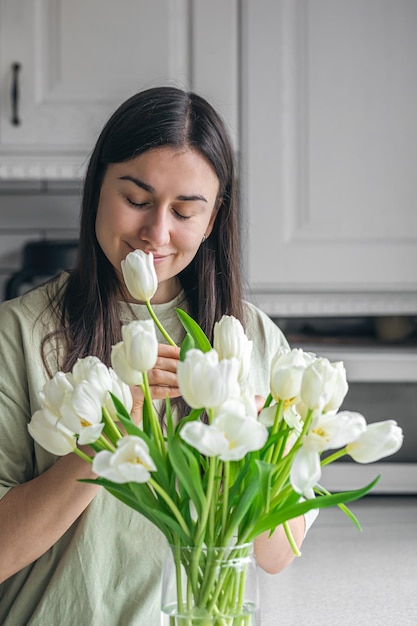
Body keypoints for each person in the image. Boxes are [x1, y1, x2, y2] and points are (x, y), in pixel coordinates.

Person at [0, 86, 310, 625]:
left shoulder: (250, 340)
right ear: (98, 186)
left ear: (212, 221)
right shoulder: (19, 333)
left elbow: (277, 556)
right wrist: (105, 444)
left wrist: (240, 435)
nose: (156, 233)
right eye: (137, 201)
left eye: (186, 211)